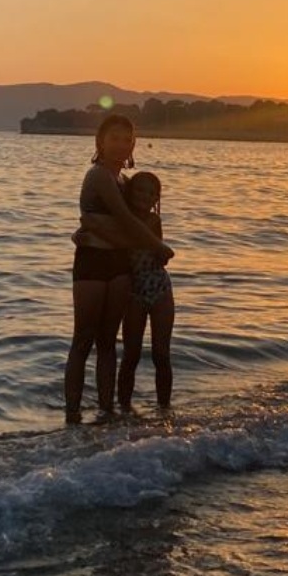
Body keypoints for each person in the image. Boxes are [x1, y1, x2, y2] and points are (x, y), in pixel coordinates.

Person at [64, 115, 172, 424]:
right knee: (83, 339)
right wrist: (158, 246)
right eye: (115, 138)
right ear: (100, 142)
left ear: (134, 144)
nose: (121, 145)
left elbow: (130, 223)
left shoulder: (125, 181)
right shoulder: (98, 175)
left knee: (109, 342)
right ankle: (72, 415)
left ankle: (106, 410)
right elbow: (126, 219)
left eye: (127, 140)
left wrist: (97, 227)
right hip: (92, 264)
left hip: (120, 265)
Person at [116, 171, 175, 414]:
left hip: (159, 286)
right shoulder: (123, 218)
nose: (145, 196)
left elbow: (160, 257)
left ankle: (164, 409)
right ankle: (123, 410)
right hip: (134, 291)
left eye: (151, 193)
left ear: (156, 199)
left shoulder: (154, 220)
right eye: (140, 190)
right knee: (131, 354)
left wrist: (162, 253)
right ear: (130, 193)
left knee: (161, 354)